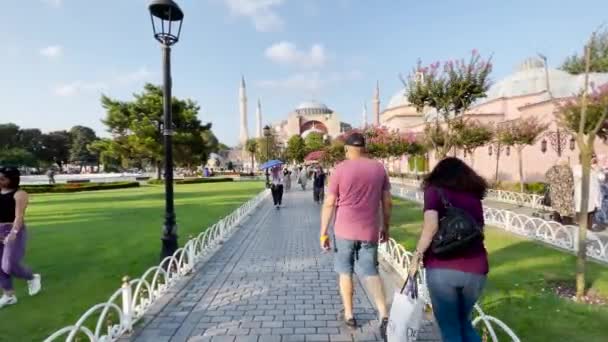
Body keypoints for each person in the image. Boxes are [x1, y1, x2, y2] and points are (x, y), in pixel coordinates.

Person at [406, 157, 488, 342]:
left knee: (450, 326)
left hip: (443, 268)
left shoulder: (434, 191)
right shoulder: (474, 197)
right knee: (463, 322)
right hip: (476, 268)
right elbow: (480, 231)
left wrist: (417, 256)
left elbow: (431, 227)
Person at [319, 133, 391, 339]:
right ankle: (383, 314)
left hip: (344, 230)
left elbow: (330, 202)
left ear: (346, 149)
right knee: (371, 271)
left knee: (345, 271)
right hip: (369, 229)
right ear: (365, 148)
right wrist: (386, 226)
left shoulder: (340, 169)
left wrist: (323, 231)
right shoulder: (378, 168)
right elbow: (387, 202)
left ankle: (349, 314)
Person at [0, 167, 42, 309]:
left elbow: (19, 216)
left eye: (2, 179)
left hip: (13, 229)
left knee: (8, 264)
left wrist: (13, 233)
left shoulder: (20, 194)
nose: (0, 181)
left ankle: (31, 277)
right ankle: (9, 295)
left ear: (12, 179)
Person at [573, 155, 605, 232]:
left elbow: (602, 178)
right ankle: (582, 235)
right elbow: (580, 176)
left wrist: (597, 169)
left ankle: (588, 232)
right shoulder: (577, 168)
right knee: (583, 217)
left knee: (590, 215)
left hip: (593, 197)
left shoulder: (593, 169)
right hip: (582, 197)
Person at [544, 158, 575, 224]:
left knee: (556, 209)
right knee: (566, 211)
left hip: (555, 193)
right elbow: (572, 181)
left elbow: (546, 178)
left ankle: (557, 223)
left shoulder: (552, 170)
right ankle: (567, 225)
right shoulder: (568, 170)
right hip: (566, 194)